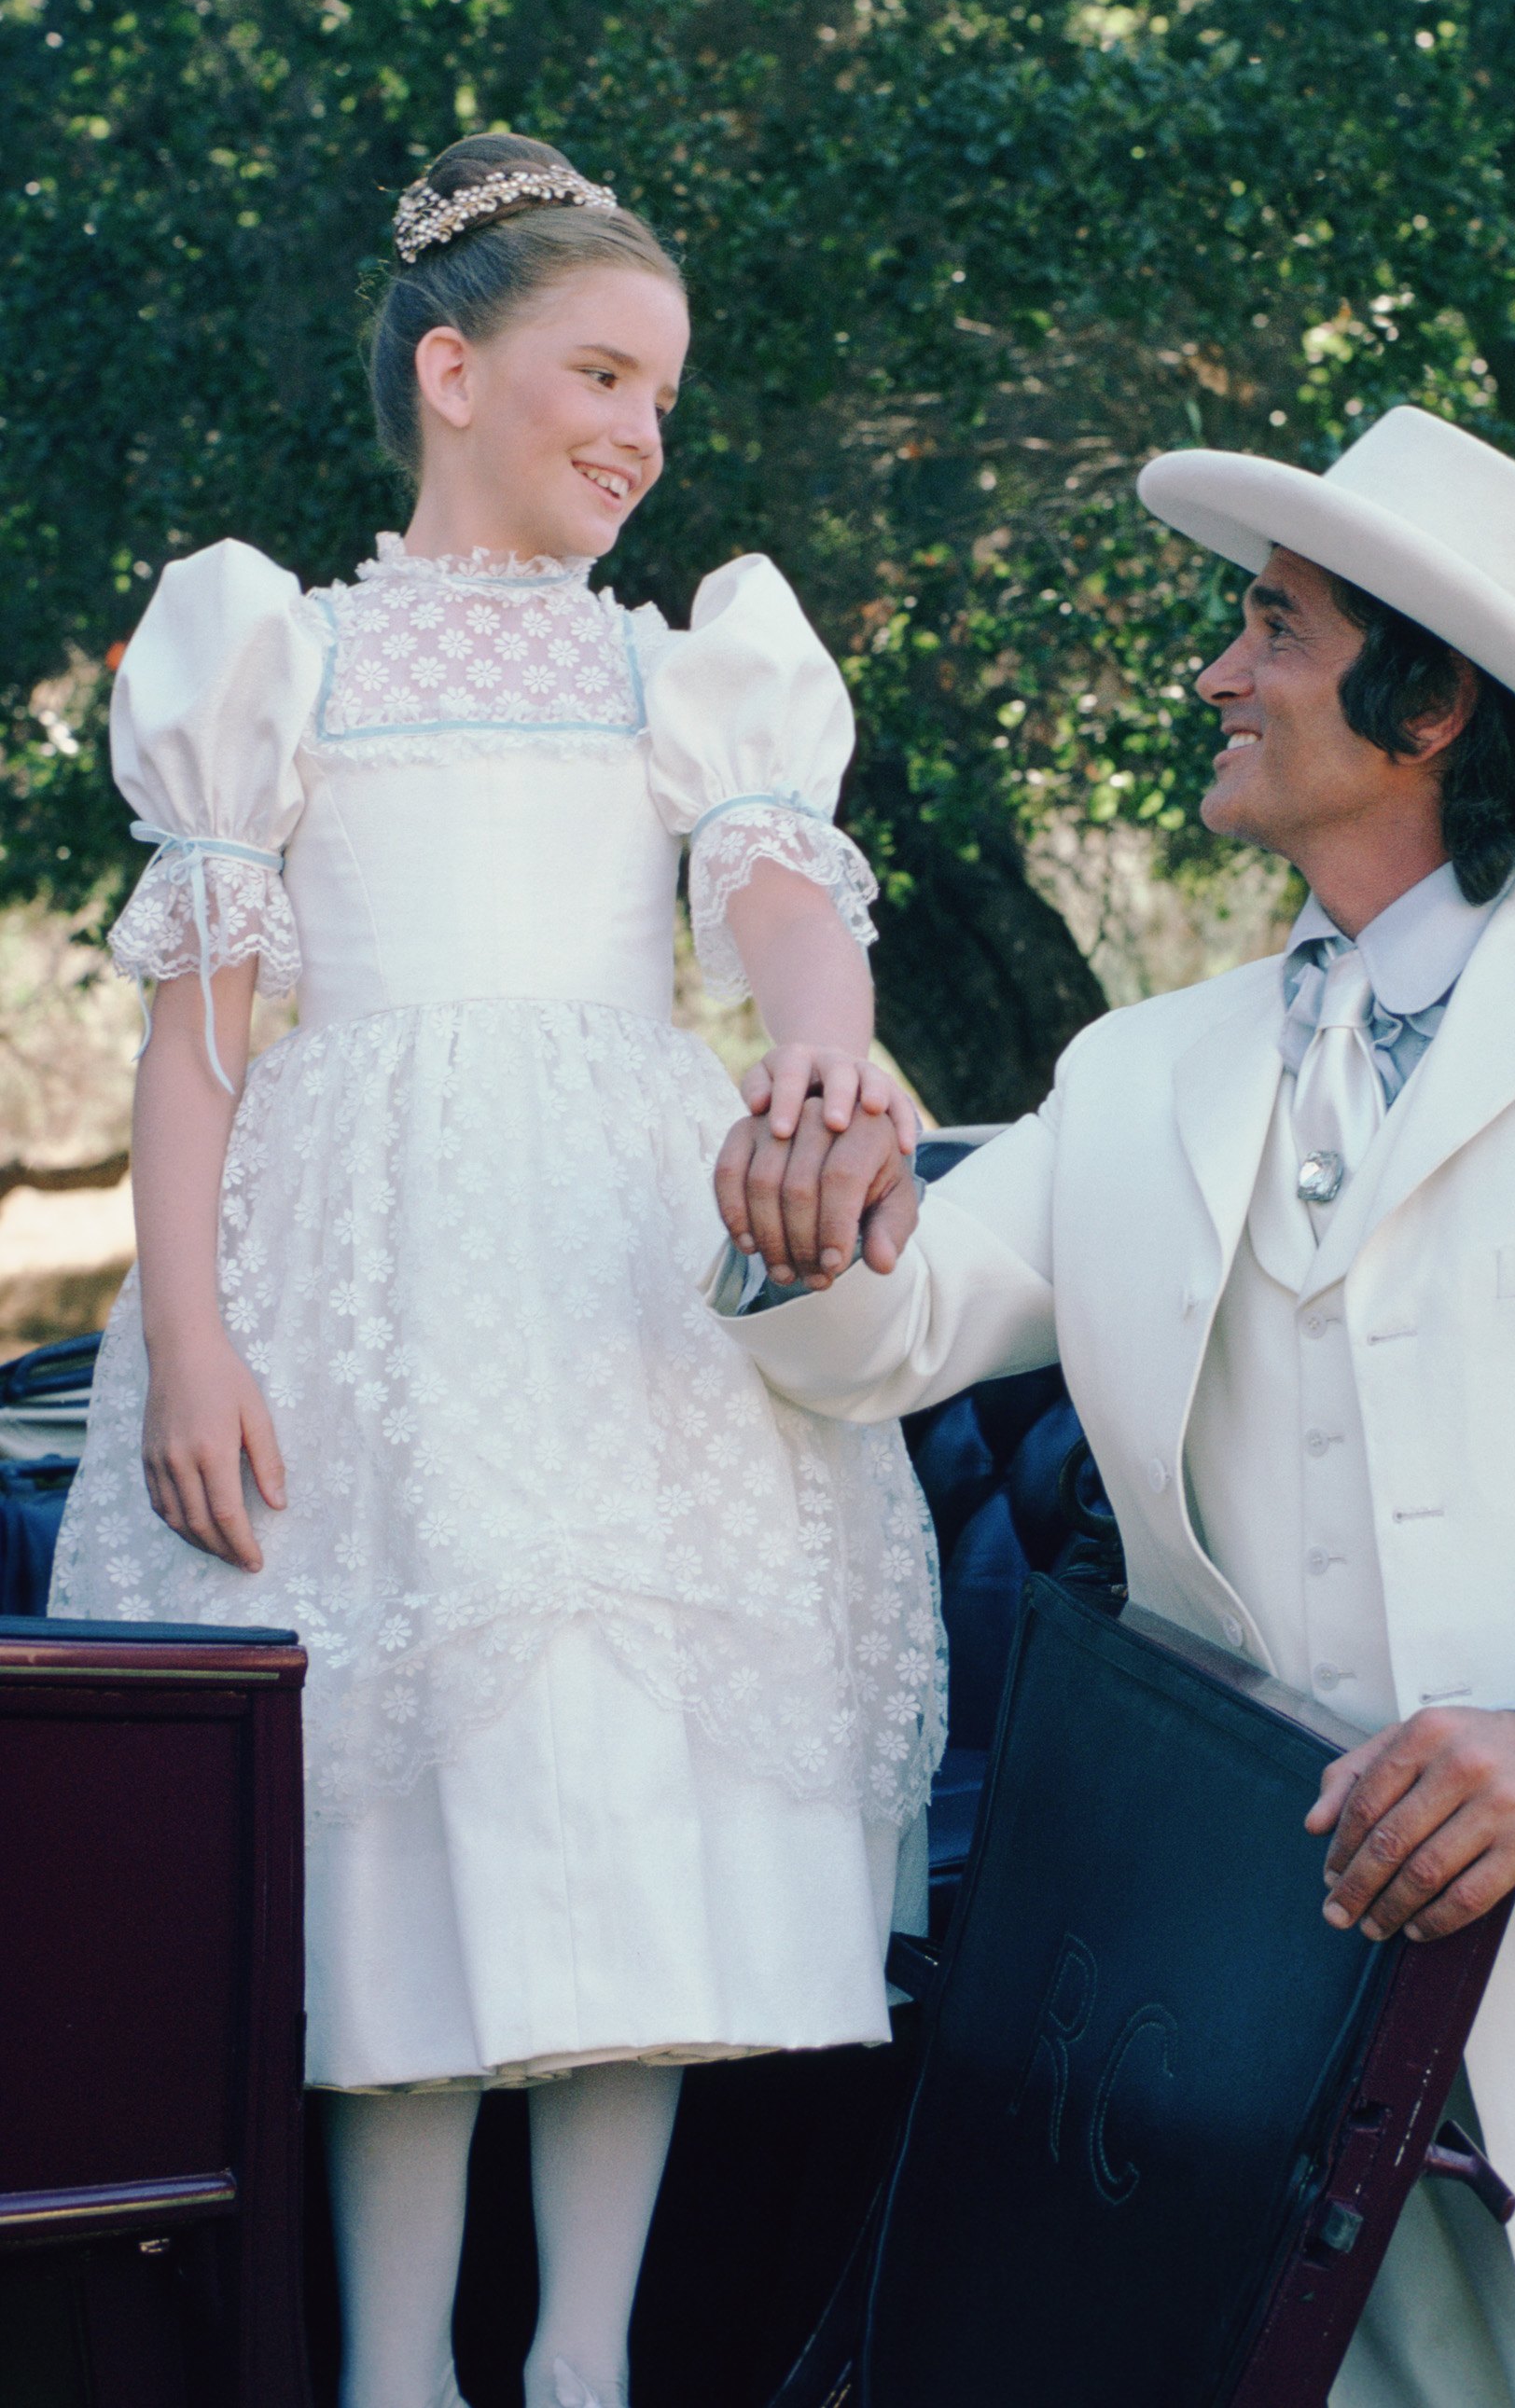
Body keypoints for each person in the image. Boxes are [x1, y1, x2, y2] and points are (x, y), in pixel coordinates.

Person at [707, 403, 1515, 2406]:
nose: (1216, 674)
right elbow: (895, 1329)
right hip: (1232, 2085)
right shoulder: (1138, 1070)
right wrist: (807, 1218)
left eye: (1275, 631)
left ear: (1428, 705)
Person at [50, 133, 945, 2408]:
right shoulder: (283, 657)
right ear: (453, 371)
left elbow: (771, 898)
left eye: (665, 394)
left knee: (605, 1788)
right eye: (600, 374)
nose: (641, 433)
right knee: (405, 1803)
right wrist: (186, 1344)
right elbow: (201, 1047)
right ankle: (390, 2371)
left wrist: (824, 1045)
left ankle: (581, 2361)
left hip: (607, 1275)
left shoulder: (679, 676)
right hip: (359, 1287)